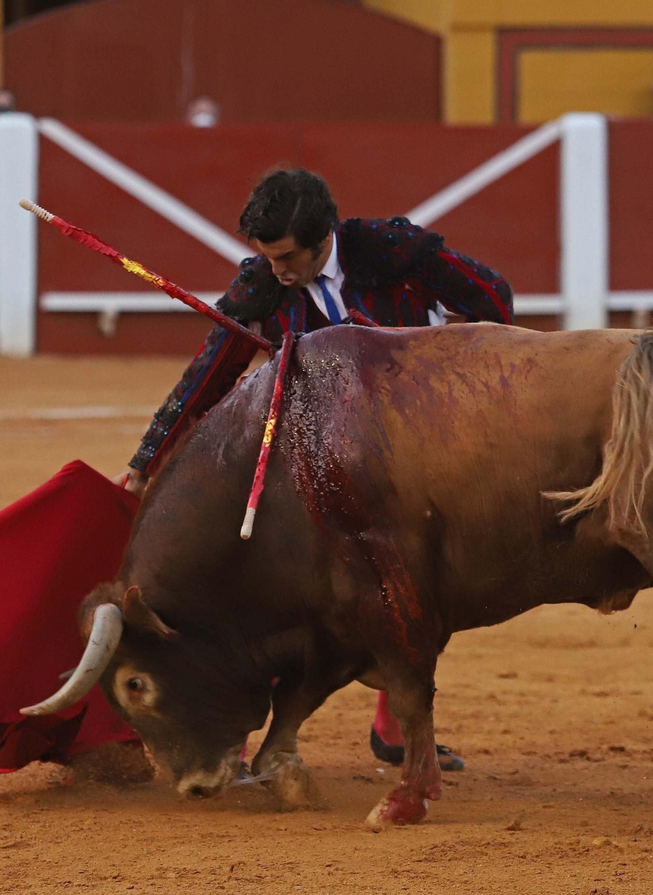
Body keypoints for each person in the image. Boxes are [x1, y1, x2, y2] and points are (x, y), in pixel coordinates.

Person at [122, 169, 514, 772]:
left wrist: (458, 342)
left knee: (417, 578)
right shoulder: (262, 287)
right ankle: (238, 727)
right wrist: (148, 459)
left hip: (412, 449)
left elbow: (491, 296)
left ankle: (393, 724)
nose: (278, 269)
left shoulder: (388, 250)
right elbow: (209, 373)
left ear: (323, 236)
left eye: (287, 257)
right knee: (277, 580)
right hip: (318, 455)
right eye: (267, 257)